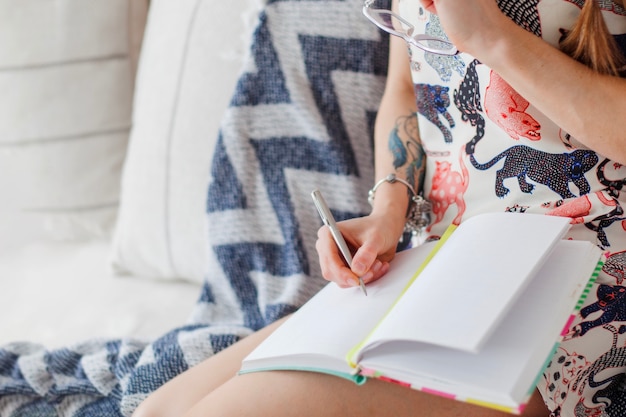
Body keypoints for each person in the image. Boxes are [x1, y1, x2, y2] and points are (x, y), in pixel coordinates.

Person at [133, 0, 626, 416]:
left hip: (590, 270)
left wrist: (488, 35)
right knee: (159, 409)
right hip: (451, 259)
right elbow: (408, 90)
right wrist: (388, 210)